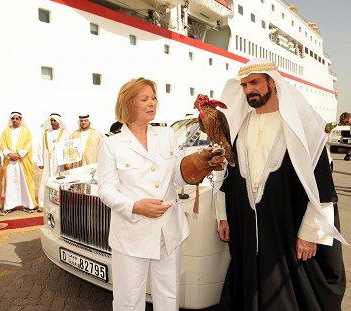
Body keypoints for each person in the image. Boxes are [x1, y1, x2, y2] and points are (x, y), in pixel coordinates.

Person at [216, 58, 346, 311]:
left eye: (254, 82)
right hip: (246, 228)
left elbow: (321, 186)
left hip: (288, 230)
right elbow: (227, 178)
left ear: (273, 83)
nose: (248, 90)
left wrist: (310, 234)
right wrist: (223, 216)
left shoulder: (302, 127)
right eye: (243, 85)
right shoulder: (240, 127)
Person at [98, 77, 225, 311]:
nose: (152, 103)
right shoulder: (111, 144)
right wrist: (134, 206)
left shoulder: (166, 134)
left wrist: (197, 166)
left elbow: (177, 175)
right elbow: (105, 189)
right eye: (144, 99)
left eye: (154, 98)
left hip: (169, 231)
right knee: (129, 301)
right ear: (128, 104)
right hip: (132, 233)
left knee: (169, 296)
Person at [0, 112, 37, 215]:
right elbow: (3, 144)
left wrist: (19, 154)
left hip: (22, 161)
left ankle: (28, 205)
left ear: (20, 119)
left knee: (24, 183)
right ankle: (9, 206)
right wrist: (9, 154)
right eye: (13, 119)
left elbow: (28, 144)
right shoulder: (5, 131)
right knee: (10, 183)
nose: (15, 120)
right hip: (10, 161)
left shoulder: (26, 131)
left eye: (17, 118)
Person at [37, 113, 69, 208]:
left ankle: (61, 202)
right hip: (47, 161)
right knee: (45, 181)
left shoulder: (64, 133)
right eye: (51, 120)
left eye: (54, 120)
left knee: (59, 181)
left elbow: (67, 148)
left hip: (59, 162)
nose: (52, 122)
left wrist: (67, 162)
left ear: (59, 121)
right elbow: (40, 147)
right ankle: (43, 203)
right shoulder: (46, 132)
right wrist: (40, 161)